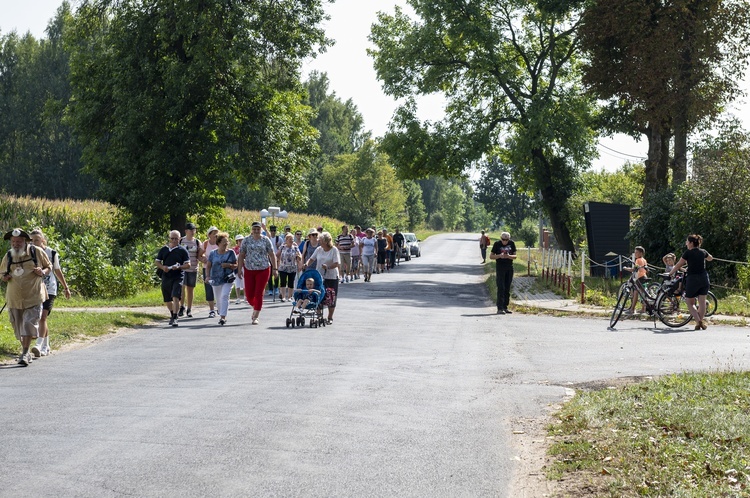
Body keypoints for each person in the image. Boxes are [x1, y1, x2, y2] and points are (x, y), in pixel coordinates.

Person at [1, 228, 53, 366]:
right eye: (13, 241)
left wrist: (42, 271)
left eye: (18, 241)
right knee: (18, 326)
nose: (15, 244)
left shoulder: (37, 252)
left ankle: (24, 353)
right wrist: (5, 277)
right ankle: (26, 350)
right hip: (14, 298)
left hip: (33, 296)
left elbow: (49, 266)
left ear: (25, 241)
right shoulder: (8, 256)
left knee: (28, 323)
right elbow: (1, 273)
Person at [29, 228, 71, 358]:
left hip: (49, 289)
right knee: (39, 317)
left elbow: (57, 271)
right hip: (35, 289)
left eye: (37, 240)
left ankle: (38, 344)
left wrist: (65, 287)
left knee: (43, 317)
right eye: (31, 240)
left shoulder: (51, 253)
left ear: (43, 240)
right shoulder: (28, 253)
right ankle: (46, 346)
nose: (34, 242)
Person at [669, 234, 714, 330]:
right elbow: (710, 258)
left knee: (689, 302)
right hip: (704, 278)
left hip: (692, 279)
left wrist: (670, 273)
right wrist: (705, 256)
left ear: (691, 243)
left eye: (687, 242)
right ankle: (699, 323)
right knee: (702, 302)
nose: (686, 244)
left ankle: (698, 321)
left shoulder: (687, 253)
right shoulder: (703, 252)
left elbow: (678, 265)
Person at [239, 221, 278, 325]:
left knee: (258, 293)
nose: (256, 231)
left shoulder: (265, 240)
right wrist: (239, 269)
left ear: (261, 230)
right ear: (251, 229)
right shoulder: (246, 240)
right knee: (249, 295)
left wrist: (275, 269)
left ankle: (256, 316)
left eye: (258, 229)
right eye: (254, 229)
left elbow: (272, 254)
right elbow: (241, 255)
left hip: (263, 269)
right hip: (249, 269)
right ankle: (256, 306)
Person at [155, 230, 191, 326]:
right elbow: (157, 261)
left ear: (179, 239)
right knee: (167, 299)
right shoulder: (164, 249)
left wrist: (179, 267)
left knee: (175, 296)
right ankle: (172, 314)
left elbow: (188, 265)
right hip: (166, 276)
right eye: (172, 238)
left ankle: (175, 317)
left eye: (176, 238)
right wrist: (163, 267)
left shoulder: (182, 250)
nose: (174, 240)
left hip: (178, 276)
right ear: (169, 238)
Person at [306, 231, 340, 324]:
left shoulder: (334, 250)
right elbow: (312, 259)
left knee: (331, 296)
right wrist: (306, 264)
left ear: (326, 241)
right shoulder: (319, 249)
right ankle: (319, 315)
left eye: (320, 240)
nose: (318, 241)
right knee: (318, 295)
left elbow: (336, 263)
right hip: (319, 276)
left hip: (331, 276)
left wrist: (328, 267)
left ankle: (330, 317)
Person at [205, 232, 237, 326]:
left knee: (224, 296)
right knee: (218, 300)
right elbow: (208, 266)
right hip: (215, 279)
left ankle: (223, 317)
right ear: (218, 243)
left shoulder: (231, 253)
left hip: (228, 278)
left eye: (227, 242)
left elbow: (236, 265)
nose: (226, 244)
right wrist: (207, 276)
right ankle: (220, 311)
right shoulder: (213, 253)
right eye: (224, 242)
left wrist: (229, 265)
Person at [179, 222, 203, 318]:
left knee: (190, 289)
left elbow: (200, 254)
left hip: (193, 269)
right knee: (182, 288)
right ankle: (182, 306)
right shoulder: (181, 241)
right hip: (183, 268)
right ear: (186, 231)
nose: (193, 231)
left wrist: (203, 258)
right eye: (190, 230)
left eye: (194, 230)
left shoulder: (197, 242)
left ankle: (189, 309)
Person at [490, 231, 517, 314]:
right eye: (503, 239)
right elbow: (491, 256)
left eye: (506, 240)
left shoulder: (512, 243)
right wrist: (499, 256)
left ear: (509, 239)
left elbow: (515, 256)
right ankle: (500, 308)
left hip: (509, 267)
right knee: (501, 287)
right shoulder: (497, 244)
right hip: (500, 268)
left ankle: (505, 307)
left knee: (507, 288)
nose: (505, 241)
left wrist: (509, 256)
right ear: (501, 238)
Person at [277, 233, 302, 302]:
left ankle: (290, 296)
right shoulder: (282, 247)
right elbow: (277, 255)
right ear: (286, 240)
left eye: (292, 239)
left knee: (291, 282)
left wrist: (298, 257)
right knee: (283, 282)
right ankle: (283, 296)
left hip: (292, 267)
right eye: (290, 239)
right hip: (283, 267)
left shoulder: (295, 248)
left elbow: (300, 257)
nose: (291, 241)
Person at [623, 246, 648, 315]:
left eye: (637, 252)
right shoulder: (644, 260)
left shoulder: (638, 260)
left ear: (641, 253)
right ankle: (643, 309)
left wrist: (625, 268)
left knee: (635, 293)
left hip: (639, 278)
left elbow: (633, 269)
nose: (635, 253)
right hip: (644, 277)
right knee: (643, 293)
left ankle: (632, 309)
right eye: (635, 252)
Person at [202, 226, 219, 318]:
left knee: (218, 288)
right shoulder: (205, 244)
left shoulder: (220, 243)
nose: (216, 235)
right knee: (209, 289)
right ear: (209, 235)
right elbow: (199, 255)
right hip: (207, 268)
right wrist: (203, 258)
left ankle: (219, 307)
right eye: (214, 233)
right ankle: (212, 310)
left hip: (218, 269)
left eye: (217, 233)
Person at [265, 225, 283, 298]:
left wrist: (278, 247)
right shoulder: (267, 238)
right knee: (269, 274)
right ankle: (270, 289)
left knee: (276, 273)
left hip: (276, 257)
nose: (273, 232)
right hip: (268, 257)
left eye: (274, 231)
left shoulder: (279, 239)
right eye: (272, 231)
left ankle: (276, 287)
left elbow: (282, 248)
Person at [232, 234, 245, 304]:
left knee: (244, 282)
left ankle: (246, 297)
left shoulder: (246, 248)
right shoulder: (234, 249)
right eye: (239, 240)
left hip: (244, 267)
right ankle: (238, 298)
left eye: (241, 240)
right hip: (237, 267)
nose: (240, 242)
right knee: (237, 282)